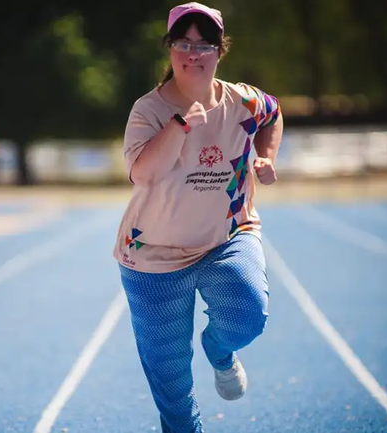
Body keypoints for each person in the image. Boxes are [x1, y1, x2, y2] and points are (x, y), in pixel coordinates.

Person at [112, 3, 283, 431]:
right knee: (171, 381)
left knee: (248, 312)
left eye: (204, 45)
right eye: (184, 44)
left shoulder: (241, 100)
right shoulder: (147, 111)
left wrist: (265, 156)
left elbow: (273, 112)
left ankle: (219, 351)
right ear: (170, 50)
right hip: (152, 256)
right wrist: (179, 124)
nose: (194, 54)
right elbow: (145, 174)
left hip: (227, 235)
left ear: (219, 52)